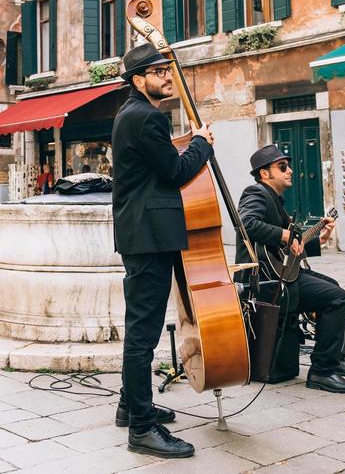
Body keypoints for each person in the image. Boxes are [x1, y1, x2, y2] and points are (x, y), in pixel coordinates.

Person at [112, 42, 215, 460]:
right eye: (158, 72)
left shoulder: (129, 115)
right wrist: (201, 144)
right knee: (143, 333)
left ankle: (129, 405)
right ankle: (141, 428)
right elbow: (175, 173)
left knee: (140, 328)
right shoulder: (148, 117)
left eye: (167, 70)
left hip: (143, 234)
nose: (167, 77)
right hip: (150, 237)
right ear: (139, 80)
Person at [236, 144, 345, 394]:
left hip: (281, 274)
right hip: (265, 282)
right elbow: (246, 224)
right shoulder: (256, 192)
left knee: (332, 288)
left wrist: (319, 239)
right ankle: (322, 372)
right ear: (264, 173)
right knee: (337, 299)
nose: (290, 170)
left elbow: (289, 247)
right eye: (282, 167)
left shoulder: (275, 200)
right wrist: (285, 235)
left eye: (288, 166)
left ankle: (330, 358)